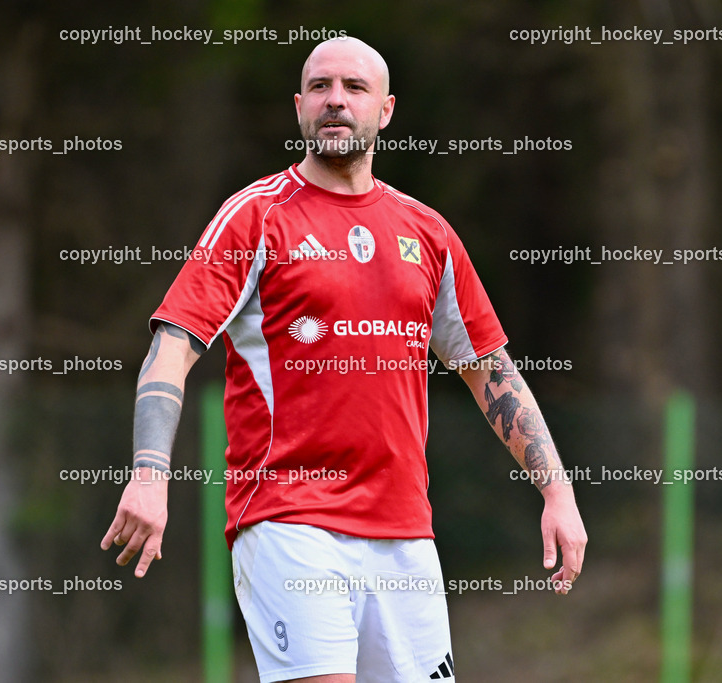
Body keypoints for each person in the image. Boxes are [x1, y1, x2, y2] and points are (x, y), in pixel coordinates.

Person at [102, 36, 587, 682]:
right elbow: (171, 347)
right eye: (321, 88)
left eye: (354, 88)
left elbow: (489, 370)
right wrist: (150, 471)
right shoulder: (255, 218)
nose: (336, 101)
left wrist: (557, 490)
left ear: (385, 110)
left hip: (406, 531)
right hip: (290, 521)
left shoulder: (429, 234)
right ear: (299, 107)